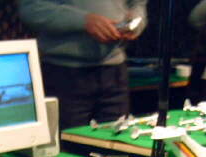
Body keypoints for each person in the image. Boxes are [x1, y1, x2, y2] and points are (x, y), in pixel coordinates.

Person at [19, 0, 147, 130]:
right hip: (63, 74)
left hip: (115, 72)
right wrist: (84, 21)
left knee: (115, 140)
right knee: (68, 140)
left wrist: (136, 21)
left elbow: (138, 4)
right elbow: (31, 8)